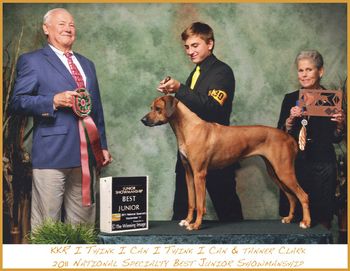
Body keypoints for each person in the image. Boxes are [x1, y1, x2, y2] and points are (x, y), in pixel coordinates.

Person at [10, 8, 112, 229]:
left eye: (72, 25)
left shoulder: (87, 64)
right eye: (62, 24)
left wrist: (101, 146)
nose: (68, 28)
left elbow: (97, 110)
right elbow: (17, 102)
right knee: (47, 224)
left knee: (83, 225)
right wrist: (53, 100)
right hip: (51, 154)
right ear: (46, 29)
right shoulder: (32, 61)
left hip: (86, 157)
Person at [157, 22, 243, 222]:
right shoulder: (195, 73)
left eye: (195, 45)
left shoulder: (222, 72)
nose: (190, 51)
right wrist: (171, 95)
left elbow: (212, 108)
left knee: (229, 214)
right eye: (187, 47)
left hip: (216, 152)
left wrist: (179, 88)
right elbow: (188, 110)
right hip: (188, 150)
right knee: (181, 212)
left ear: (210, 44)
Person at [277, 50, 345, 229]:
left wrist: (339, 125)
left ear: (320, 72)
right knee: (293, 221)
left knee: (322, 221)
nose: (304, 74)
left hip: (322, 166)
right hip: (295, 164)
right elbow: (280, 135)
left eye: (309, 70)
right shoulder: (290, 99)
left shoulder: (332, 100)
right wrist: (290, 120)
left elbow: (336, 138)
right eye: (301, 70)